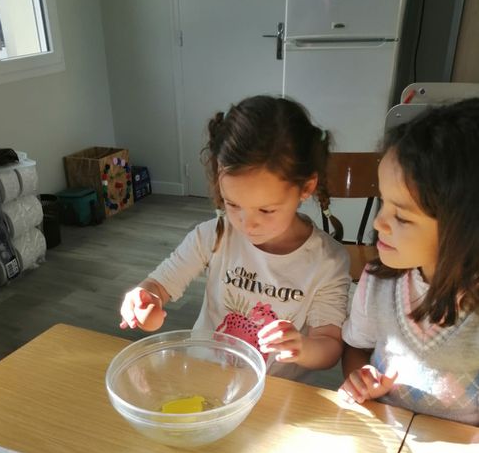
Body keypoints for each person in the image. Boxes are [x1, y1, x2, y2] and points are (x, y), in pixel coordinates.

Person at [119, 95, 350, 380]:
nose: (246, 224)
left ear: (306, 187)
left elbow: (329, 345)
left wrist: (302, 348)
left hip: (272, 391)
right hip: (205, 375)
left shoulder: (327, 261)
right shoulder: (213, 235)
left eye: (266, 209)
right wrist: (145, 299)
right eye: (232, 204)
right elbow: (159, 285)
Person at [339, 98, 479, 425]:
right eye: (384, 204)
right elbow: (356, 349)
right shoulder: (377, 282)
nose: (378, 224)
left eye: (401, 217)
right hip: (387, 432)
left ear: (464, 228)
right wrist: (361, 379)